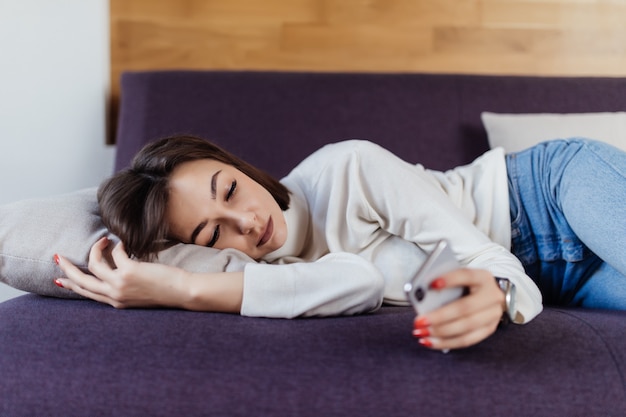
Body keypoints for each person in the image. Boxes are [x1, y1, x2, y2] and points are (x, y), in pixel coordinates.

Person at [54, 135, 626, 351]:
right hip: (560, 277)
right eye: (212, 233)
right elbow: (364, 281)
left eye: (229, 189)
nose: (246, 223)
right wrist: (180, 286)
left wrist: (496, 294)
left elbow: (482, 258)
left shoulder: (346, 168)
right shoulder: (276, 272)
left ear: (236, 163)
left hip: (547, 192)